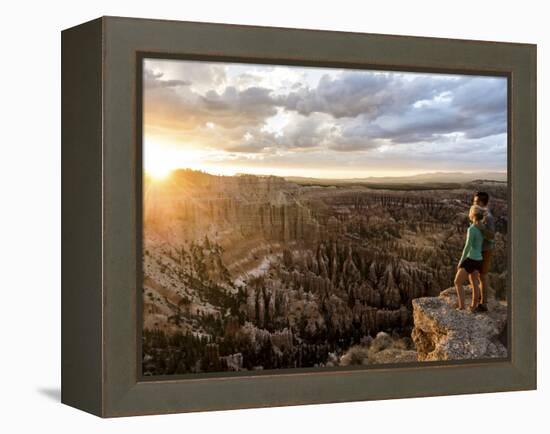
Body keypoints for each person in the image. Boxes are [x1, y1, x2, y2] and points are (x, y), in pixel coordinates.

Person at [454, 205, 485, 311]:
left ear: (472, 215)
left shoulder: (471, 229)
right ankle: (474, 306)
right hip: (479, 260)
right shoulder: (483, 228)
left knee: (457, 282)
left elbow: (467, 247)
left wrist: (461, 261)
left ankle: (462, 306)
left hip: (470, 259)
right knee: (475, 283)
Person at [471, 191, 495, 312]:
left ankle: (484, 304)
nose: (473, 204)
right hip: (479, 249)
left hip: (485, 250)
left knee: (483, 276)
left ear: (480, 202)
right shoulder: (480, 213)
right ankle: (480, 298)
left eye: (475, 202)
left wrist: (481, 228)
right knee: (478, 276)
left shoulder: (488, 217)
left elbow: (491, 236)